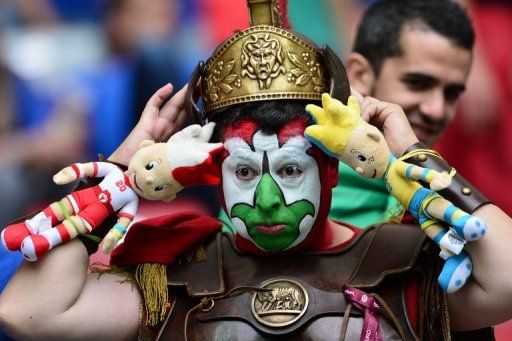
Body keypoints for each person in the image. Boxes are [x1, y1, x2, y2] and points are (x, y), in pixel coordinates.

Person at [1, 1, 512, 340]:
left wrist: (410, 152)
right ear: (213, 176)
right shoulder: (173, 278)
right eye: (244, 174)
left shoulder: (401, 267)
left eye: (290, 172)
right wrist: (118, 172)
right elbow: (28, 311)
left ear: (331, 172)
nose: (268, 200)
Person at [330, 0, 477, 227]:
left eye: (451, 94)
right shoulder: (303, 176)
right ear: (360, 75)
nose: (437, 110)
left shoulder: (440, 189)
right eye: (417, 83)